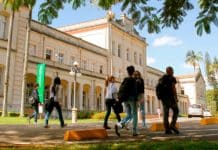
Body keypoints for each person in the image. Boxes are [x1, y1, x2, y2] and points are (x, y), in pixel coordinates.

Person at [115, 66, 138, 136]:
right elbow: (135, 90)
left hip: (125, 99)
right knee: (134, 114)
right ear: (133, 71)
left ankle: (119, 124)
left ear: (127, 72)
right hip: (132, 99)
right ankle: (134, 131)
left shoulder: (125, 79)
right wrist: (136, 99)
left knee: (129, 115)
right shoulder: (133, 80)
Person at [156, 66, 179, 134]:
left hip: (164, 99)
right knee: (176, 110)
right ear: (170, 71)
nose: (173, 72)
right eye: (172, 71)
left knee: (166, 113)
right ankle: (172, 125)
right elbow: (173, 88)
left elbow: (158, 87)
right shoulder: (172, 78)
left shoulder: (162, 78)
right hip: (170, 98)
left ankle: (167, 129)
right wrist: (176, 97)